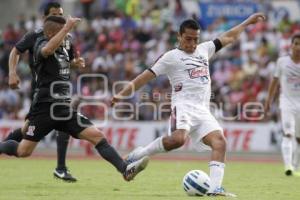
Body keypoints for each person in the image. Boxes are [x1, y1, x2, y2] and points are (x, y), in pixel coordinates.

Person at [112, 13, 265, 196]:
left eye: (195, 39)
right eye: (188, 39)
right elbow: (144, 77)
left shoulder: (204, 49)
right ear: (179, 36)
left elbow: (229, 36)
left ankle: (214, 188)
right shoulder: (171, 57)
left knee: (220, 142)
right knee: (178, 139)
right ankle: (137, 155)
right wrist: (122, 94)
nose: (192, 44)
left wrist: (248, 21)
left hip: (202, 110)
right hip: (183, 107)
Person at [0, 15, 149, 182]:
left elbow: (58, 62)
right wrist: (66, 28)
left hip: (63, 108)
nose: (66, 36)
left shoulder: (63, 49)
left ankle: (125, 170)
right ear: (50, 33)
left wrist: (74, 64)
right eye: (62, 32)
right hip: (45, 107)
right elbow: (47, 51)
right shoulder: (40, 44)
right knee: (23, 151)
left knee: (97, 136)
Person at [6, 2, 82, 182]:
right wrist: (12, 72)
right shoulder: (35, 35)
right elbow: (15, 51)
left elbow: (68, 60)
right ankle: (60, 168)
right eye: (54, 14)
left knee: (62, 119)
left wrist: (75, 64)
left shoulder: (66, 36)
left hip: (59, 90)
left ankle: (61, 168)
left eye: (61, 14)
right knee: (26, 131)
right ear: (44, 17)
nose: (59, 18)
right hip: (41, 89)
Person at [265, 33, 300, 176]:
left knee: (298, 138)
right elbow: (274, 81)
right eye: (296, 43)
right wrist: (269, 99)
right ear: (291, 45)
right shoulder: (282, 62)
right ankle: (288, 166)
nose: (298, 47)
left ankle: (296, 166)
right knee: (288, 133)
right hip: (286, 102)